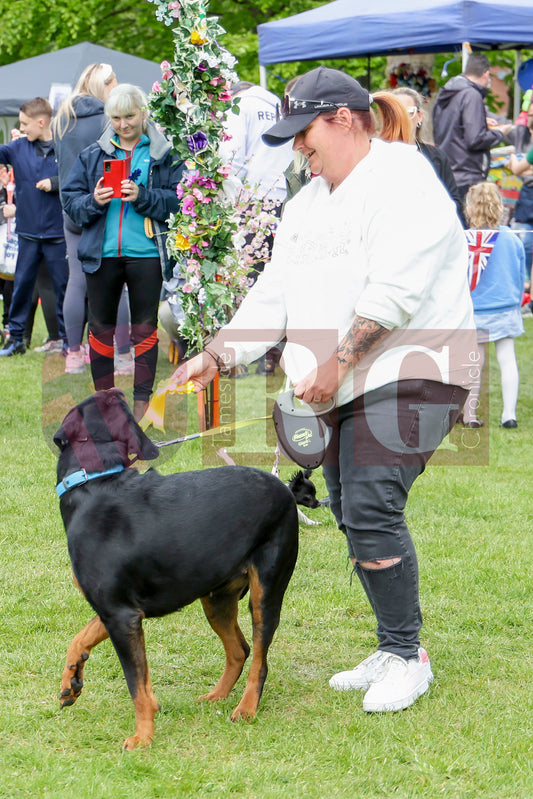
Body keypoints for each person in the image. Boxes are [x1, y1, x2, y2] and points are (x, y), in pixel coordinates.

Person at [171, 66, 476, 713]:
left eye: (303, 132)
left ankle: (406, 654)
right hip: (342, 384)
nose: (296, 147)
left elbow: (398, 288)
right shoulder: (305, 205)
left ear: (343, 119)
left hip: (418, 367)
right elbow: (274, 293)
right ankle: (394, 647)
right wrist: (218, 353)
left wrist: (336, 361)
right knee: (347, 509)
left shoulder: (402, 180)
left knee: (368, 502)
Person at [62, 83, 184, 421]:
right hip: (102, 255)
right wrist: (94, 201)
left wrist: (143, 196)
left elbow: (180, 201)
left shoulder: (164, 153)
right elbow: (71, 202)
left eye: (129, 116)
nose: (123, 124)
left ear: (143, 112)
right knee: (100, 327)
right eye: (115, 118)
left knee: (144, 328)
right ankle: (104, 403)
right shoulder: (92, 155)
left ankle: (142, 404)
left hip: (147, 254)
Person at [53, 62, 132, 375]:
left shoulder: (63, 118)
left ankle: (73, 352)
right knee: (120, 281)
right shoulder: (108, 118)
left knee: (77, 280)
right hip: (106, 204)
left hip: (72, 208)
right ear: (107, 85)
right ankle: (123, 354)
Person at [0, 98, 68, 357]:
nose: (21, 127)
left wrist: (55, 182)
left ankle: (67, 342)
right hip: (27, 234)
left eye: (25, 123)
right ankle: (16, 339)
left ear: (42, 122)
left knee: (63, 289)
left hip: (57, 235)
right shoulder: (17, 147)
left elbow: (80, 175)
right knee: (21, 288)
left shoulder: (64, 148)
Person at [462, 182, 525, 429]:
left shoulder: (464, 240)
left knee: (474, 361)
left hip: (475, 309)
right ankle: (509, 415)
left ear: (469, 208)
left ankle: (469, 415)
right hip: (506, 306)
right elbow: (520, 274)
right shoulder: (512, 239)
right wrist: (517, 299)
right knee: (507, 358)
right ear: (499, 207)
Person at [432, 53, 513, 206]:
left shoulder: (447, 93)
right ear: (486, 74)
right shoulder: (472, 95)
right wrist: (500, 133)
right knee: (471, 228)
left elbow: (453, 129)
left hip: (448, 174)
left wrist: (481, 121)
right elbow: (475, 139)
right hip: (468, 177)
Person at [392, 86, 466, 225]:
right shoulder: (376, 154)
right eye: (395, 113)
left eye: (408, 112)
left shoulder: (436, 157)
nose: (401, 119)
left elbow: (454, 203)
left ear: (419, 116)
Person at [508, 103, 533, 286]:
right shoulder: (521, 136)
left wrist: (511, 157)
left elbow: (516, 167)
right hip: (527, 197)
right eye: (529, 113)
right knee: (526, 245)